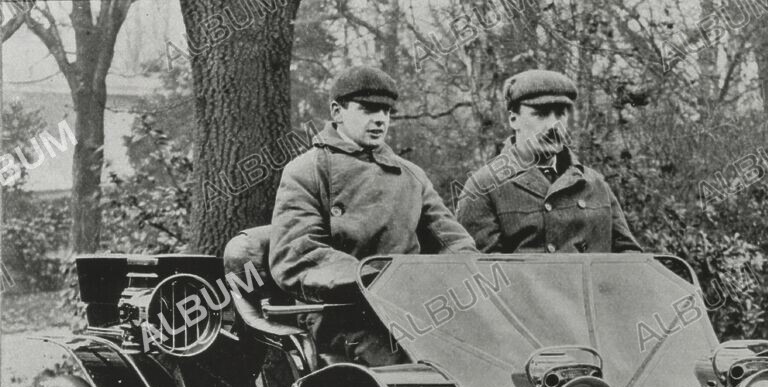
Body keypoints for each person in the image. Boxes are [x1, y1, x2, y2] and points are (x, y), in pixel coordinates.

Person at [269, 65, 476, 364]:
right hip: (343, 313)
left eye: (387, 111)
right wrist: (376, 278)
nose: (380, 119)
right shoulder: (308, 171)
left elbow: (454, 242)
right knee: (399, 370)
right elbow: (298, 255)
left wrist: (458, 275)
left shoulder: (411, 176)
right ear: (337, 112)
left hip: (415, 308)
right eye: (368, 109)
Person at [456, 69, 641, 254]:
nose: (554, 126)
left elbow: (631, 261)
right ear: (514, 119)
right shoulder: (483, 187)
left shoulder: (595, 183)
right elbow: (482, 271)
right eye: (541, 114)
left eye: (560, 114)